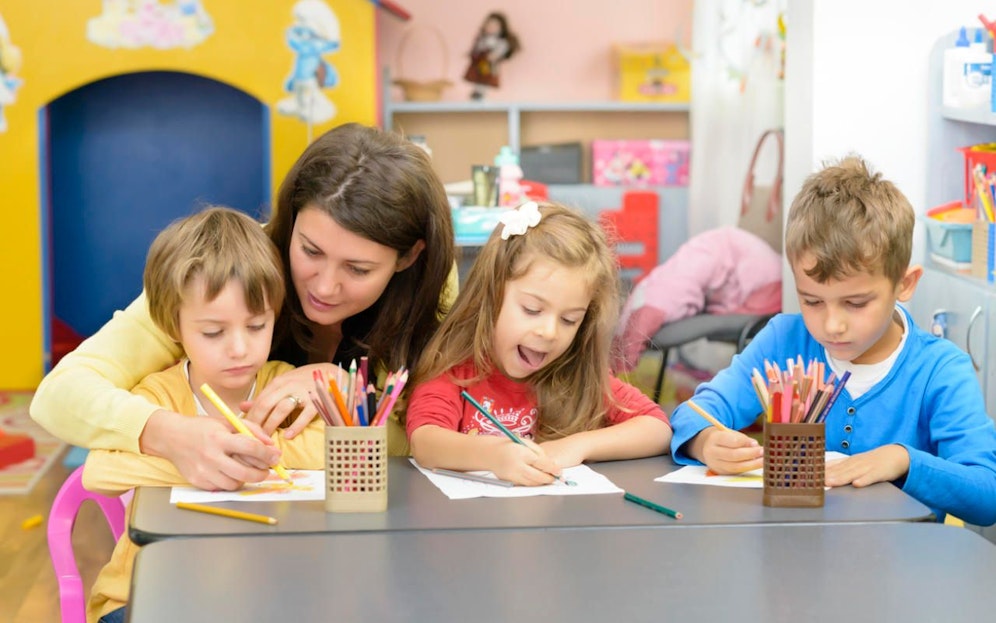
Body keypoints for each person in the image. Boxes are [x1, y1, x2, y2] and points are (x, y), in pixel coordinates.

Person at [31, 123, 456, 490]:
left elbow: (436, 436)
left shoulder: (429, 292)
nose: (325, 286)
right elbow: (60, 394)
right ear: (290, 222)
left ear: (408, 257)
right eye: (310, 250)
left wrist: (346, 392)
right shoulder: (229, 271)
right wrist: (167, 434)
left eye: (358, 269)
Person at [668, 155, 996, 526]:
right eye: (812, 301)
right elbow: (693, 413)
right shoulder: (783, 340)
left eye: (855, 303)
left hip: (897, 569)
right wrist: (706, 441)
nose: (831, 325)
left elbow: (987, 494)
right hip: (793, 553)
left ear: (904, 284)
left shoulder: (940, 370)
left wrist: (904, 460)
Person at [82, 206, 325, 623]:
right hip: (146, 593)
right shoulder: (158, 394)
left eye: (256, 327)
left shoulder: (283, 387)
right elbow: (98, 472)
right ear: (174, 328)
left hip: (263, 588)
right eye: (213, 332)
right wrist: (192, 458)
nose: (238, 349)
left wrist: (240, 458)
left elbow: (326, 454)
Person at [405, 201, 672, 485]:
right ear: (491, 294)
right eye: (532, 310)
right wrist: (497, 456)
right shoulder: (457, 371)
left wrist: (578, 445)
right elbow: (425, 441)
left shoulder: (576, 376)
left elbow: (657, 428)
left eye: (569, 320)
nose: (549, 332)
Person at [462, 11, 520, 100]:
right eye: (489, 24)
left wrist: (494, 56)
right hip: (481, 62)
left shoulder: (499, 42)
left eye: (495, 25)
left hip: (488, 63)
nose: (491, 27)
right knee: (479, 76)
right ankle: (478, 92)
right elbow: (477, 50)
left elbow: (500, 50)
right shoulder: (482, 39)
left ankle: (482, 93)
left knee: (485, 77)